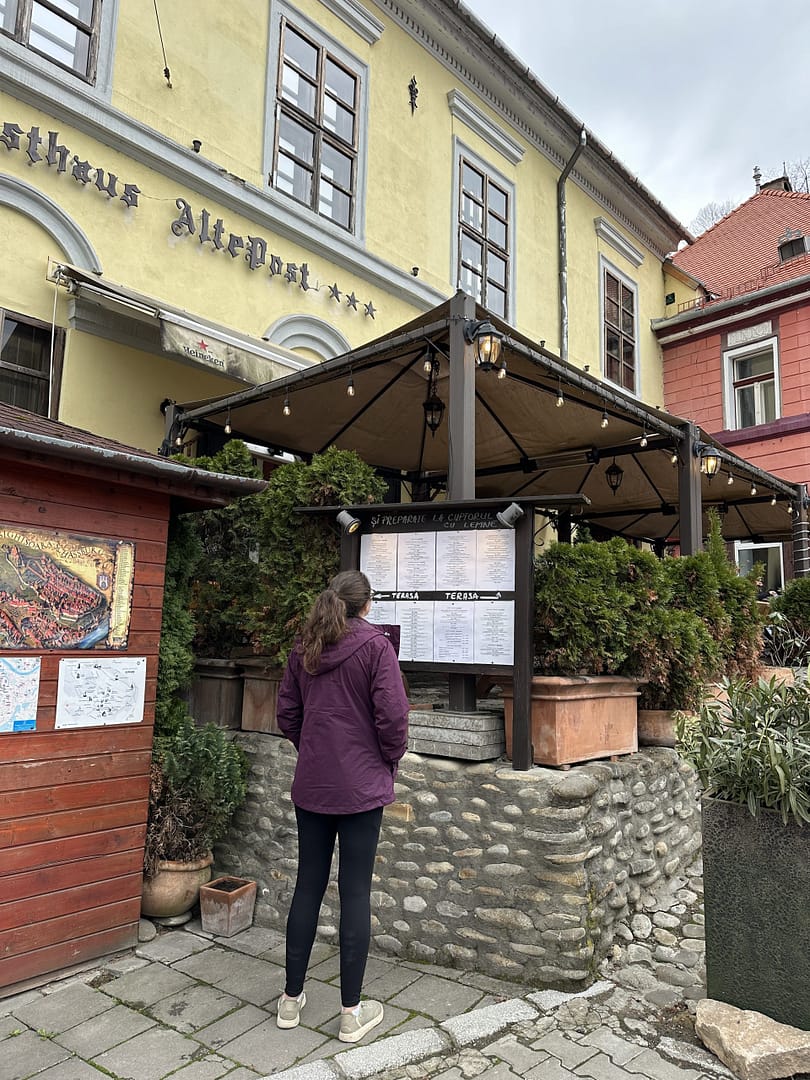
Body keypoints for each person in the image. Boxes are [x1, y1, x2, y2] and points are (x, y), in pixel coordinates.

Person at [275, 570, 410, 1043]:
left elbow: (286, 714)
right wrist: (385, 761)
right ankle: (351, 1013)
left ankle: (290, 1001)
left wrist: (311, 751)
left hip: (313, 785)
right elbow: (393, 719)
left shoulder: (304, 646)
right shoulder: (376, 648)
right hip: (361, 788)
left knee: (307, 886)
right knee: (355, 893)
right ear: (366, 605)